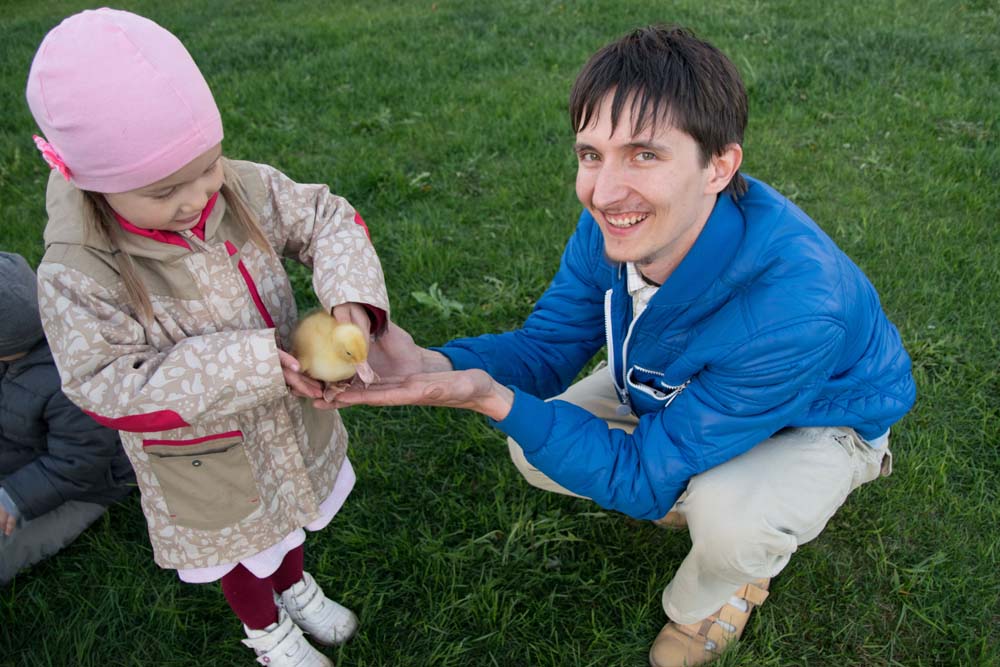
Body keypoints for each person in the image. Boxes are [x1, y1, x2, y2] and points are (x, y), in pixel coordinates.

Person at [331, 25, 917, 667]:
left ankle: (723, 586)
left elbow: (637, 478)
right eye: (591, 155)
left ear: (719, 165)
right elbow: (546, 347)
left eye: (644, 155)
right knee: (536, 450)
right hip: (679, 379)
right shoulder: (614, 227)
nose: (604, 194)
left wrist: (493, 399)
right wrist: (433, 364)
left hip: (823, 419)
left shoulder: (796, 311)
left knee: (729, 521)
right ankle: (698, 490)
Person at [26, 9, 389, 667]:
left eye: (207, 165)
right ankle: (266, 628)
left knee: (291, 517)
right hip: (204, 458)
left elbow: (328, 218)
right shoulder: (80, 269)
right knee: (243, 544)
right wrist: (254, 363)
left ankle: (295, 585)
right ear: (95, 182)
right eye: (166, 188)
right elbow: (102, 382)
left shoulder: (236, 186)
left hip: (287, 416)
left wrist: (351, 305)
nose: (199, 195)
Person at [0, 252, 135, 585]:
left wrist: (13, 496)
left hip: (79, 487)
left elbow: (81, 461)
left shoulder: (71, 381)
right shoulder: (11, 352)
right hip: (18, 449)